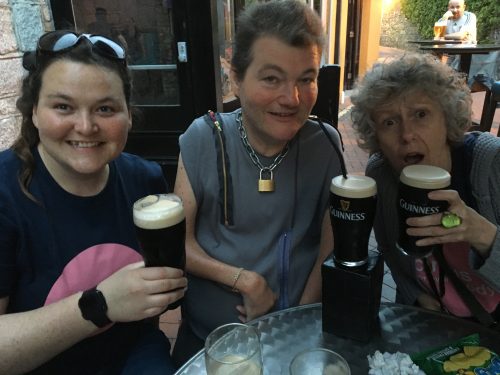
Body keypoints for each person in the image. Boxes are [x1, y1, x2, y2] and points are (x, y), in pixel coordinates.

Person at [0, 31, 187, 374]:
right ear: (35, 113)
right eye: (63, 107)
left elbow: (149, 317)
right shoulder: (5, 193)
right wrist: (99, 305)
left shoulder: (144, 180)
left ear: (128, 115)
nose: (86, 126)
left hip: (135, 355)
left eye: (105, 108)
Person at [172, 0, 343, 365]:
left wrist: (296, 324)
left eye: (306, 79)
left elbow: (330, 250)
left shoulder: (326, 144)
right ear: (236, 77)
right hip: (209, 344)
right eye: (271, 78)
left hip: (297, 341)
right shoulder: (204, 137)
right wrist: (243, 280)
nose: (291, 99)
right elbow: (177, 244)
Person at [351, 53, 500, 324]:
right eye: (389, 122)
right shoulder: (381, 174)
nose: (406, 134)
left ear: (447, 119)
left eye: (421, 114)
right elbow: (388, 247)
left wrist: (482, 234)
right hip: (431, 327)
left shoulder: (491, 164)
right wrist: (415, 297)